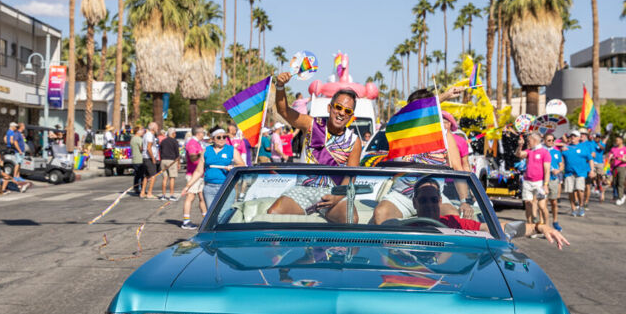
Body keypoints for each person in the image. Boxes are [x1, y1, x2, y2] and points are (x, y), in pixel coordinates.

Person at [370, 86, 472, 225]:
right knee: (380, 214)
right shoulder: (400, 129)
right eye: (414, 108)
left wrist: (464, 201)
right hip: (402, 196)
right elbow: (417, 114)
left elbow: (457, 167)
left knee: (453, 217)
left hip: (433, 196)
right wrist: (444, 96)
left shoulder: (443, 134)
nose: (419, 112)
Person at [266, 72, 363, 217]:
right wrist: (280, 87)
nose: (341, 113)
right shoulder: (311, 124)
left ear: (351, 116)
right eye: (338, 107)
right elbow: (284, 111)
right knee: (273, 213)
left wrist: (336, 198)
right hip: (303, 190)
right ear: (329, 108)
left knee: (350, 218)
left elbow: (350, 177)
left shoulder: (354, 141)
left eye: (347, 111)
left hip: (334, 193)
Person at [405, 177, 570, 250]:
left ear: (440, 202)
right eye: (423, 200)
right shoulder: (401, 228)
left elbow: (498, 228)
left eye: (433, 200)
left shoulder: (454, 223)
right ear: (415, 203)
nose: (429, 205)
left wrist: (538, 227)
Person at [185, 127, 245, 210]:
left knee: (222, 215)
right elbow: (199, 171)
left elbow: (242, 165)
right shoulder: (206, 150)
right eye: (219, 137)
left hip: (226, 187)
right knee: (212, 215)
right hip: (209, 188)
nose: (222, 139)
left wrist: (233, 167)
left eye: (224, 137)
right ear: (213, 139)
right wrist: (188, 186)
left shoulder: (231, 149)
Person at [518, 132, 551, 228]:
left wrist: (545, 184)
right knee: (528, 204)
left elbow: (547, 170)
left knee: (541, 206)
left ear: (535, 141)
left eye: (529, 141)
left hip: (539, 183)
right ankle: (530, 225)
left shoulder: (545, 152)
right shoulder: (529, 151)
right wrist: (520, 146)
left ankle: (547, 225)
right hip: (527, 182)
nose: (527, 142)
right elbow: (519, 154)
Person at [561, 130, 594, 217]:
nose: (573, 137)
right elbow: (560, 159)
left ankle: (581, 206)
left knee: (580, 190)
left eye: (575, 136)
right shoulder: (566, 148)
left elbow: (590, 159)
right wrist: (561, 150)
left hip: (580, 173)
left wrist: (592, 170)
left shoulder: (583, 148)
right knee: (570, 191)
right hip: (569, 173)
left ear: (579, 138)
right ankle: (573, 208)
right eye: (571, 136)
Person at [181, 127, 207, 229]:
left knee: (202, 197)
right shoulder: (192, 143)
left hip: (200, 174)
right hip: (193, 174)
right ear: (199, 133)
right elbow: (192, 158)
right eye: (203, 132)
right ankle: (186, 221)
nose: (203, 134)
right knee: (190, 197)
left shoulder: (198, 143)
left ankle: (206, 220)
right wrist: (201, 154)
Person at [545, 133, 565, 231]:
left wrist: (558, 170)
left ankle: (555, 221)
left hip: (553, 179)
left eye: (553, 140)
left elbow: (561, 165)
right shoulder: (542, 151)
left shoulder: (557, 152)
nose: (551, 142)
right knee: (543, 203)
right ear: (544, 141)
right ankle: (545, 224)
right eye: (549, 140)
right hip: (543, 180)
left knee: (554, 202)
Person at [608, 136, 626, 206]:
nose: (617, 142)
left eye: (618, 140)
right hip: (614, 167)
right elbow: (609, 158)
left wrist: (621, 159)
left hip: (622, 167)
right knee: (615, 183)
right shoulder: (613, 149)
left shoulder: (625, 149)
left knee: (620, 182)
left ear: (622, 141)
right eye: (616, 140)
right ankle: (620, 195)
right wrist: (611, 159)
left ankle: (620, 197)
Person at [158, 127, 180, 200]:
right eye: (175, 133)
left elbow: (160, 150)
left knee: (165, 178)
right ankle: (171, 195)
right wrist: (178, 163)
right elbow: (177, 153)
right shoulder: (174, 141)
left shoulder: (163, 141)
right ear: (173, 133)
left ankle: (163, 195)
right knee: (172, 178)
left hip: (163, 160)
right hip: (171, 161)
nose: (175, 134)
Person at [141, 122, 159, 199]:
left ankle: (142, 192)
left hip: (146, 157)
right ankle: (149, 193)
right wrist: (153, 158)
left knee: (146, 175)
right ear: (153, 128)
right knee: (153, 176)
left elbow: (142, 147)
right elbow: (149, 148)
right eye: (157, 127)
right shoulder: (149, 135)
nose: (158, 128)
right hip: (149, 158)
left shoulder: (146, 135)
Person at [129, 126, 146, 195]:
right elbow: (141, 148)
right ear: (137, 131)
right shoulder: (139, 139)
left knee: (137, 175)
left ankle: (136, 188)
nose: (143, 131)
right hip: (140, 159)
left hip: (135, 159)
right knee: (142, 175)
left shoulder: (132, 139)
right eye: (141, 130)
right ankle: (142, 189)